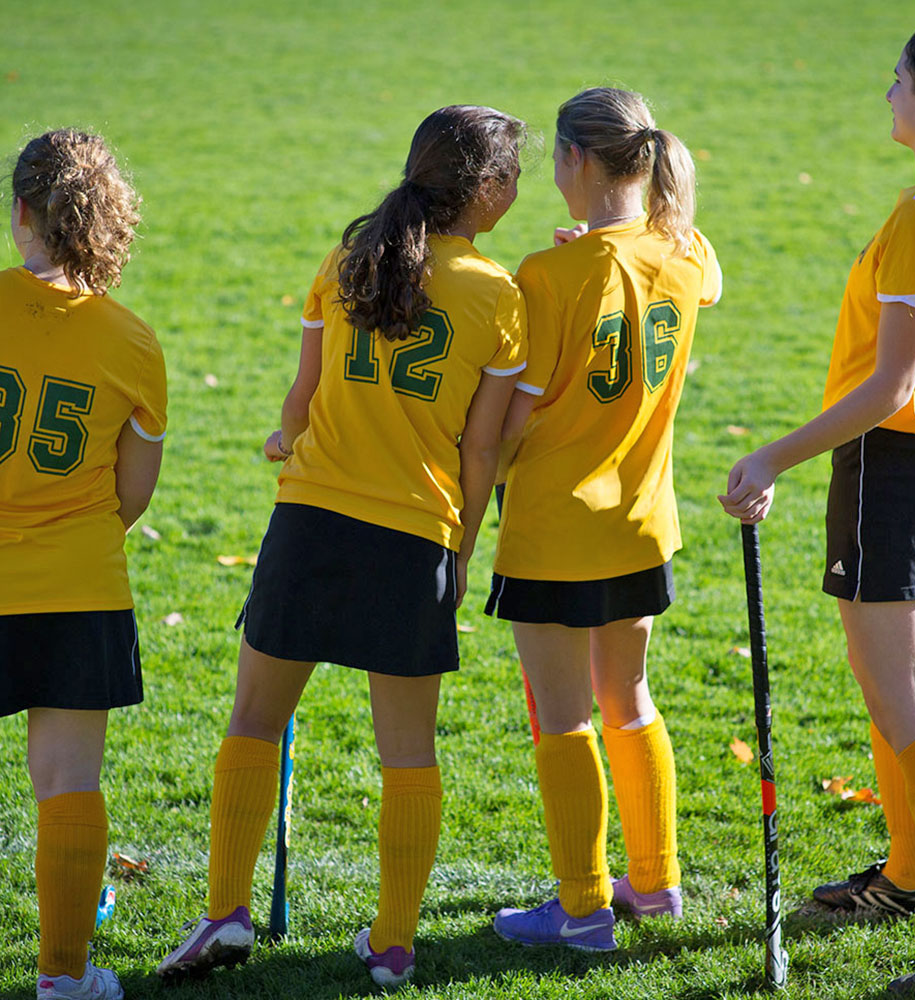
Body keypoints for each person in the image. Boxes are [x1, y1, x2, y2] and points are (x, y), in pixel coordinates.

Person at [157, 105, 527, 989]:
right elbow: (483, 450)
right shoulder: (496, 295)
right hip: (416, 538)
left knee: (253, 720)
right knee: (409, 752)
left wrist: (292, 441)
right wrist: (464, 545)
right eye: (512, 175)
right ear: (483, 192)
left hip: (311, 523)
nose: (517, 188)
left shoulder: (349, 258)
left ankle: (224, 917)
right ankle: (394, 943)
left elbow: (299, 404)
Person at [720, 24, 915, 997]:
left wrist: (772, 455)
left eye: (896, 82)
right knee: (893, 692)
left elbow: (888, 386)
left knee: (911, 703)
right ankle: (911, 874)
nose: (884, 93)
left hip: (899, 461)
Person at [487, 86, 721, 952]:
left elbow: (512, 422)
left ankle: (583, 910)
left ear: (573, 162)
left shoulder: (547, 275)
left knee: (563, 716)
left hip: (552, 529)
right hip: (642, 521)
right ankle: (655, 886)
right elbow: (710, 274)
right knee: (628, 700)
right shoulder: (684, 250)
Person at [0, 130, 166, 1000]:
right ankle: (64, 979)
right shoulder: (131, 341)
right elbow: (130, 497)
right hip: (77, 584)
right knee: (69, 784)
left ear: (20, 212)